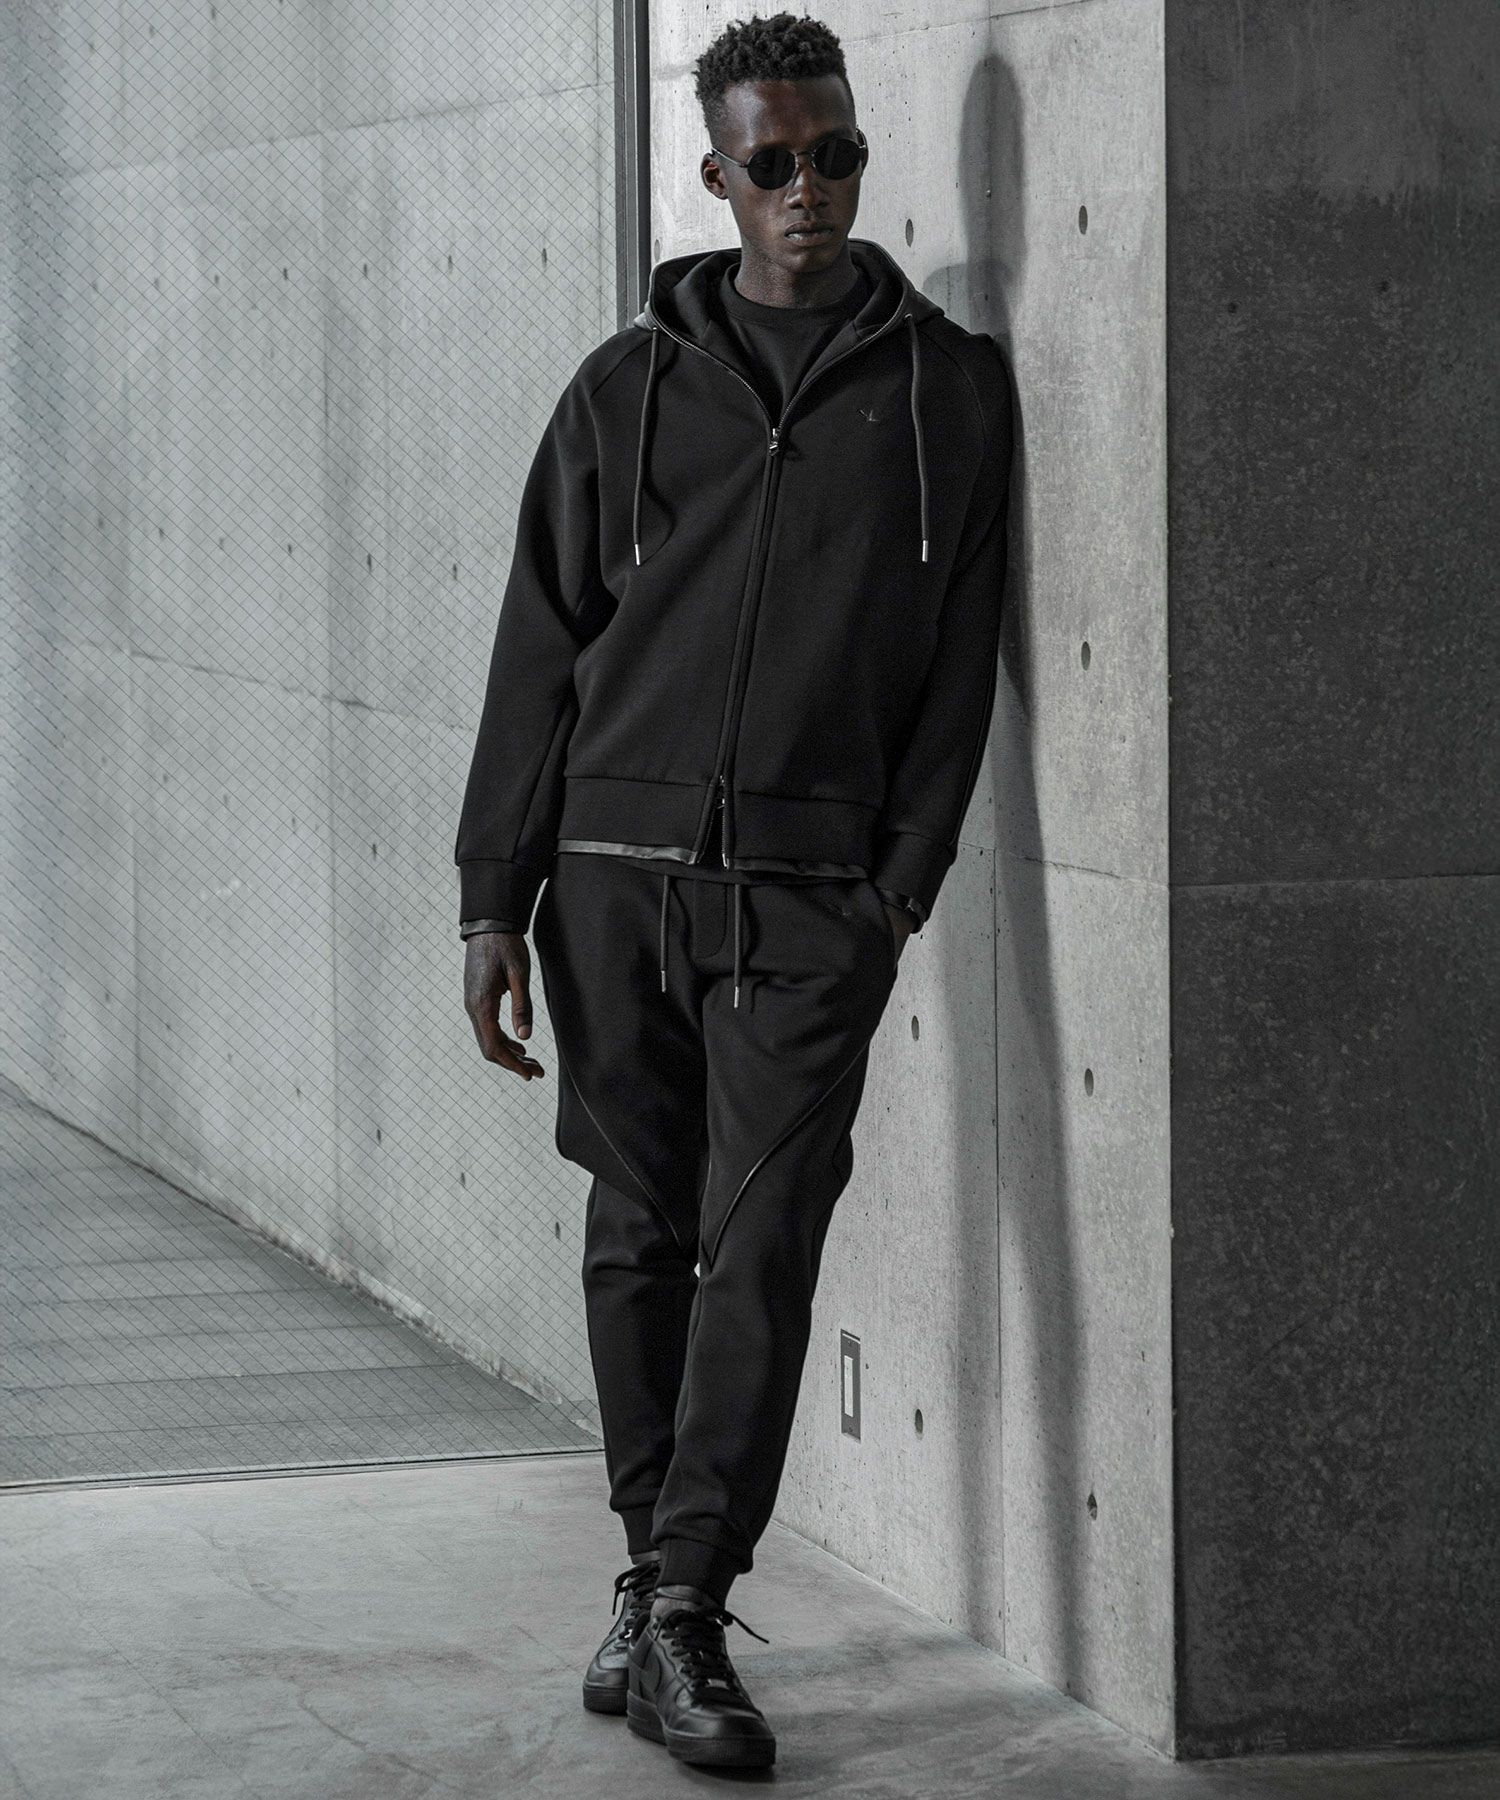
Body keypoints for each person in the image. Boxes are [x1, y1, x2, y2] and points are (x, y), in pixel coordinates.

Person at [454, 10, 1013, 1771]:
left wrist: (897, 888)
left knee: (759, 1243)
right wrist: (491, 897)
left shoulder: (948, 393)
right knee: (639, 1232)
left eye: (836, 154)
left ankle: (689, 1603)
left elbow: (961, 659)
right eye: (775, 163)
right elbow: (539, 649)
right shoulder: (622, 392)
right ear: (717, 175)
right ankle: (650, 1585)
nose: (810, 190)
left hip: (810, 900)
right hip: (614, 885)